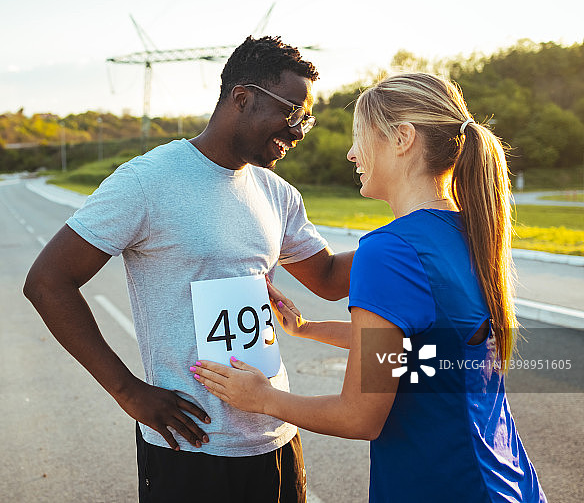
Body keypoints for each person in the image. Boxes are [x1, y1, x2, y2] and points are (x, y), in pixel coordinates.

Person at [23, 35, 354, 503]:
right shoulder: (146, 181)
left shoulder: (277, 193)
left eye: (307, 117)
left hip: (274, 434)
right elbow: (47, 282)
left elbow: (330, 279)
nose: (300, 130)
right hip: (190, 446)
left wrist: (415, 231)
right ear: (242, 98)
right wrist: (126, 389)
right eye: (292, 112)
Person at [192, 72, 546, 502]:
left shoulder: (389, 250)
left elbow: (359, 417)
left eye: (359, 136)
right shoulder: (471, 230)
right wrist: (305, 329)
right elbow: (425, 349)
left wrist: (264, 398)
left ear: (402, 138)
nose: (350, 152)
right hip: (506, 481)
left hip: (441, 486)